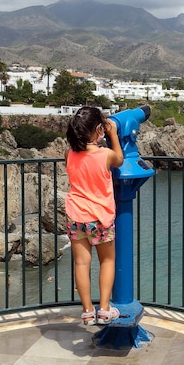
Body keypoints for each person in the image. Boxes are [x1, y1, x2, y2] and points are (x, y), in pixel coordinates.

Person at [65, 106, 124, 326]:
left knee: (81, 263)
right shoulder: (105, 155)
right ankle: (105, 309)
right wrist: (114, 134)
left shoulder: (68, 153)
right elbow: (119, 159)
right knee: (107, 260)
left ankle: (88, 311)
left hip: (76, 215)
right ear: (99, 129)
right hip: (100, 217)